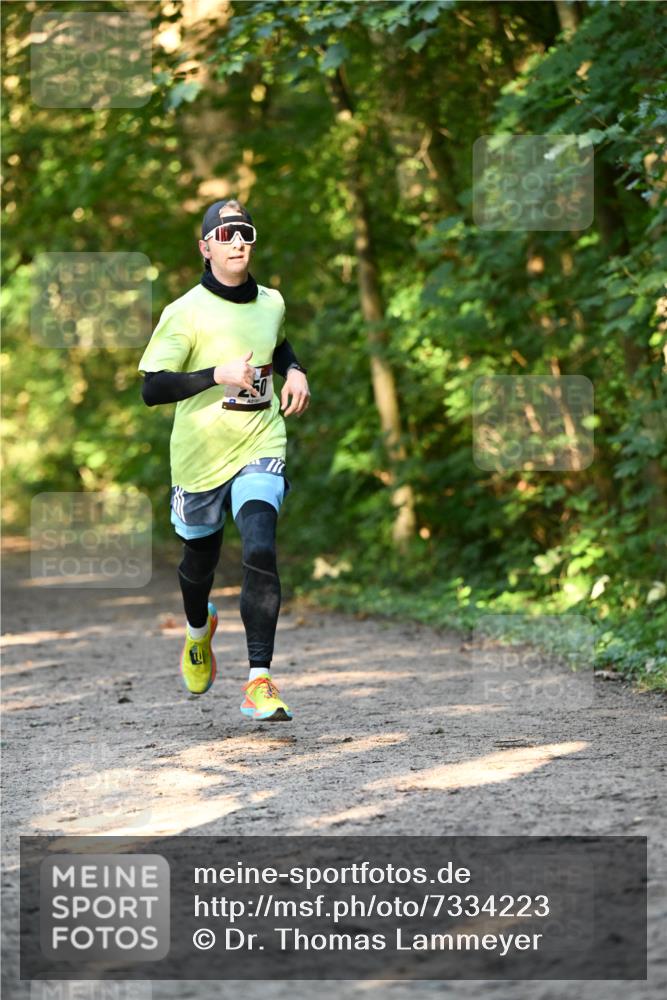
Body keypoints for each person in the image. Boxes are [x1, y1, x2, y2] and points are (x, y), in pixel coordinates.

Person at [138, 198, 310, 722]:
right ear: (205, 247)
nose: (237, 242)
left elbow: (279, 344)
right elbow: (152, 388)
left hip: (260, 443)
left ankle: (259, 680)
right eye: (225, 234)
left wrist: (296, 371)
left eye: (245, 233)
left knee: (260, 547)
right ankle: (198, 631)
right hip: (199, 459)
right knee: (199, 564)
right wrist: (217, 375)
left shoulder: (272, 302)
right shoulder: (184, 312)